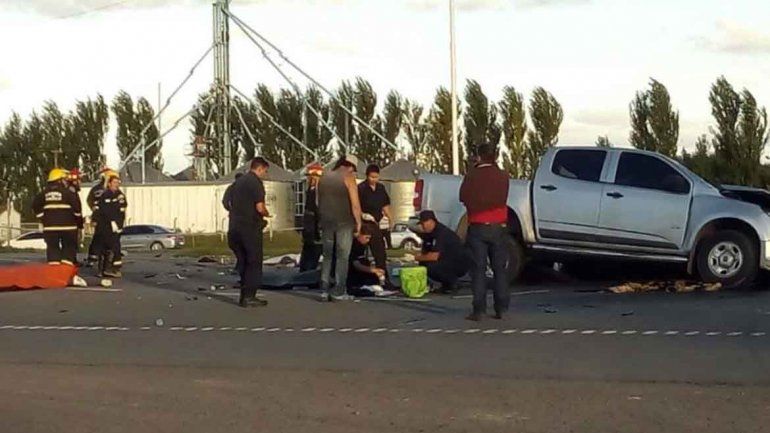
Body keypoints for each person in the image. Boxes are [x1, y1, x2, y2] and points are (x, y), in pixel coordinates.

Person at [460, 143, 510, 321]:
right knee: (499, 269)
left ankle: (479, 309)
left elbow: (463, 197)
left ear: (478, 156)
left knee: (478, 269)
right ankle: (501, 307)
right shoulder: (503, 176)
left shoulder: (472, 176)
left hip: (478, 225)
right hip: (499, 226)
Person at [318, 155, 363, 302]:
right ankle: (338, 290)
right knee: (342, 256)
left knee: (327, 256)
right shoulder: (348, 178)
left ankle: (324, 290)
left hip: (326, 221)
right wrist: (358, 222)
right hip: (344, 221)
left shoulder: (324, 176)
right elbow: (355, 204)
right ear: (351, 167)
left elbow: (317, 201)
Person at [229, 157, 270, 308]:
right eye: (265, 171)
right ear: (259, 168)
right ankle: (249, 296)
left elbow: (227, 202)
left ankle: (243, 294)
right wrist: (267, 214)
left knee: (243, 261)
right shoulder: (256, 183)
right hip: (250, 228)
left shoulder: (237, 183)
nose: (265, 174)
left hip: (234, 227)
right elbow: (260, 207)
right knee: (254, 261)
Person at [32, 168, 83, 267]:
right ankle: (65, 271)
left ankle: (54, 273)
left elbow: (35, 205)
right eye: (64, 179)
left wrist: (43, 218)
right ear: (59, 180)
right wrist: (79, 224)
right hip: (68, 228)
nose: (66, 182)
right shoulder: (68, 193)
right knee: (68, 249)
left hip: (50, 228)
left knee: (52, 249)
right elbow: (77, 209)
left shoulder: (43, 193)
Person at [413, 210, 470, 294]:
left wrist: (415, 257)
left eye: (424, 223)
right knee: (424, 263)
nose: (423, 226)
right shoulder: (430, 234)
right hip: (447, 260)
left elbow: (434, 256)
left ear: (432, 221)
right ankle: (445, 284)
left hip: (459, 263)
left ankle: (452, 282)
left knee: (431, 266)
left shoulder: (441, 233)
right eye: (421, 224)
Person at [357, 164, 394, 285]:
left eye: (376, 177)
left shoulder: (381, 188)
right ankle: (362, 277)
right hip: (364, 223)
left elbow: (385, 205)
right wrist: (362, 214)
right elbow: (355, 206)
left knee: (380, 252)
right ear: (367, 176)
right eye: (372, 177)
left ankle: (384, 278)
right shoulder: (361, 188)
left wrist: (391, 219)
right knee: (360, 252)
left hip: (376, 223)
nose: (374, 179)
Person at [94, 175, 127, 278]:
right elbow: (104, 210)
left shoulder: (120, 195)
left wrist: (118, 224)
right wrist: (111, 221)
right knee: (105, 247)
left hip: (117, 226)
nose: (116, 185)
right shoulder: (105, 195)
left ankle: (113, 268)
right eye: (114, 182)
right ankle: (103, 269)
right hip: (106, 226)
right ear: (109, 184)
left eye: (118, 182)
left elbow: (122, 207)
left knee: (114, 247)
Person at [346, 222, 386, 295]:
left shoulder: (363, 245)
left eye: (369, 238)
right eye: (366, 237)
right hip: (352, 272)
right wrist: (373, 270)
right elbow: (356, 264)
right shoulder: (353, 245)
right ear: (360, 235)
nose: (368, 240)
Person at [85, 169, 113, 267]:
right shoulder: (98, 189)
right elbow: (89, 200)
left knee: (99, 237)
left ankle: (97, 257)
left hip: (103, 217)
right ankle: (96, 257)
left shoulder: (98, 189)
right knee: (99, 237)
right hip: (101, 217)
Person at [299, 162, 323, 272]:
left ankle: (310, 267)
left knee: (316, 246)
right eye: (311, 177)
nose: (312, 179)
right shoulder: (310, 189)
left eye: (315, 177)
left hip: (315, 222)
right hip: (309, 222)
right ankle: (304, 267)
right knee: (308, 246)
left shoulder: (320, 191)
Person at [223, 172, 244, 285]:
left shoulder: (231, 188)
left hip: (235, 218)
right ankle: (241, 264)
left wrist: (231, 209)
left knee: (234, 242)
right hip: (245, 220)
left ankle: (241, 265)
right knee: (243, 244)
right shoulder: (246, 188)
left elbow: (225, 202)